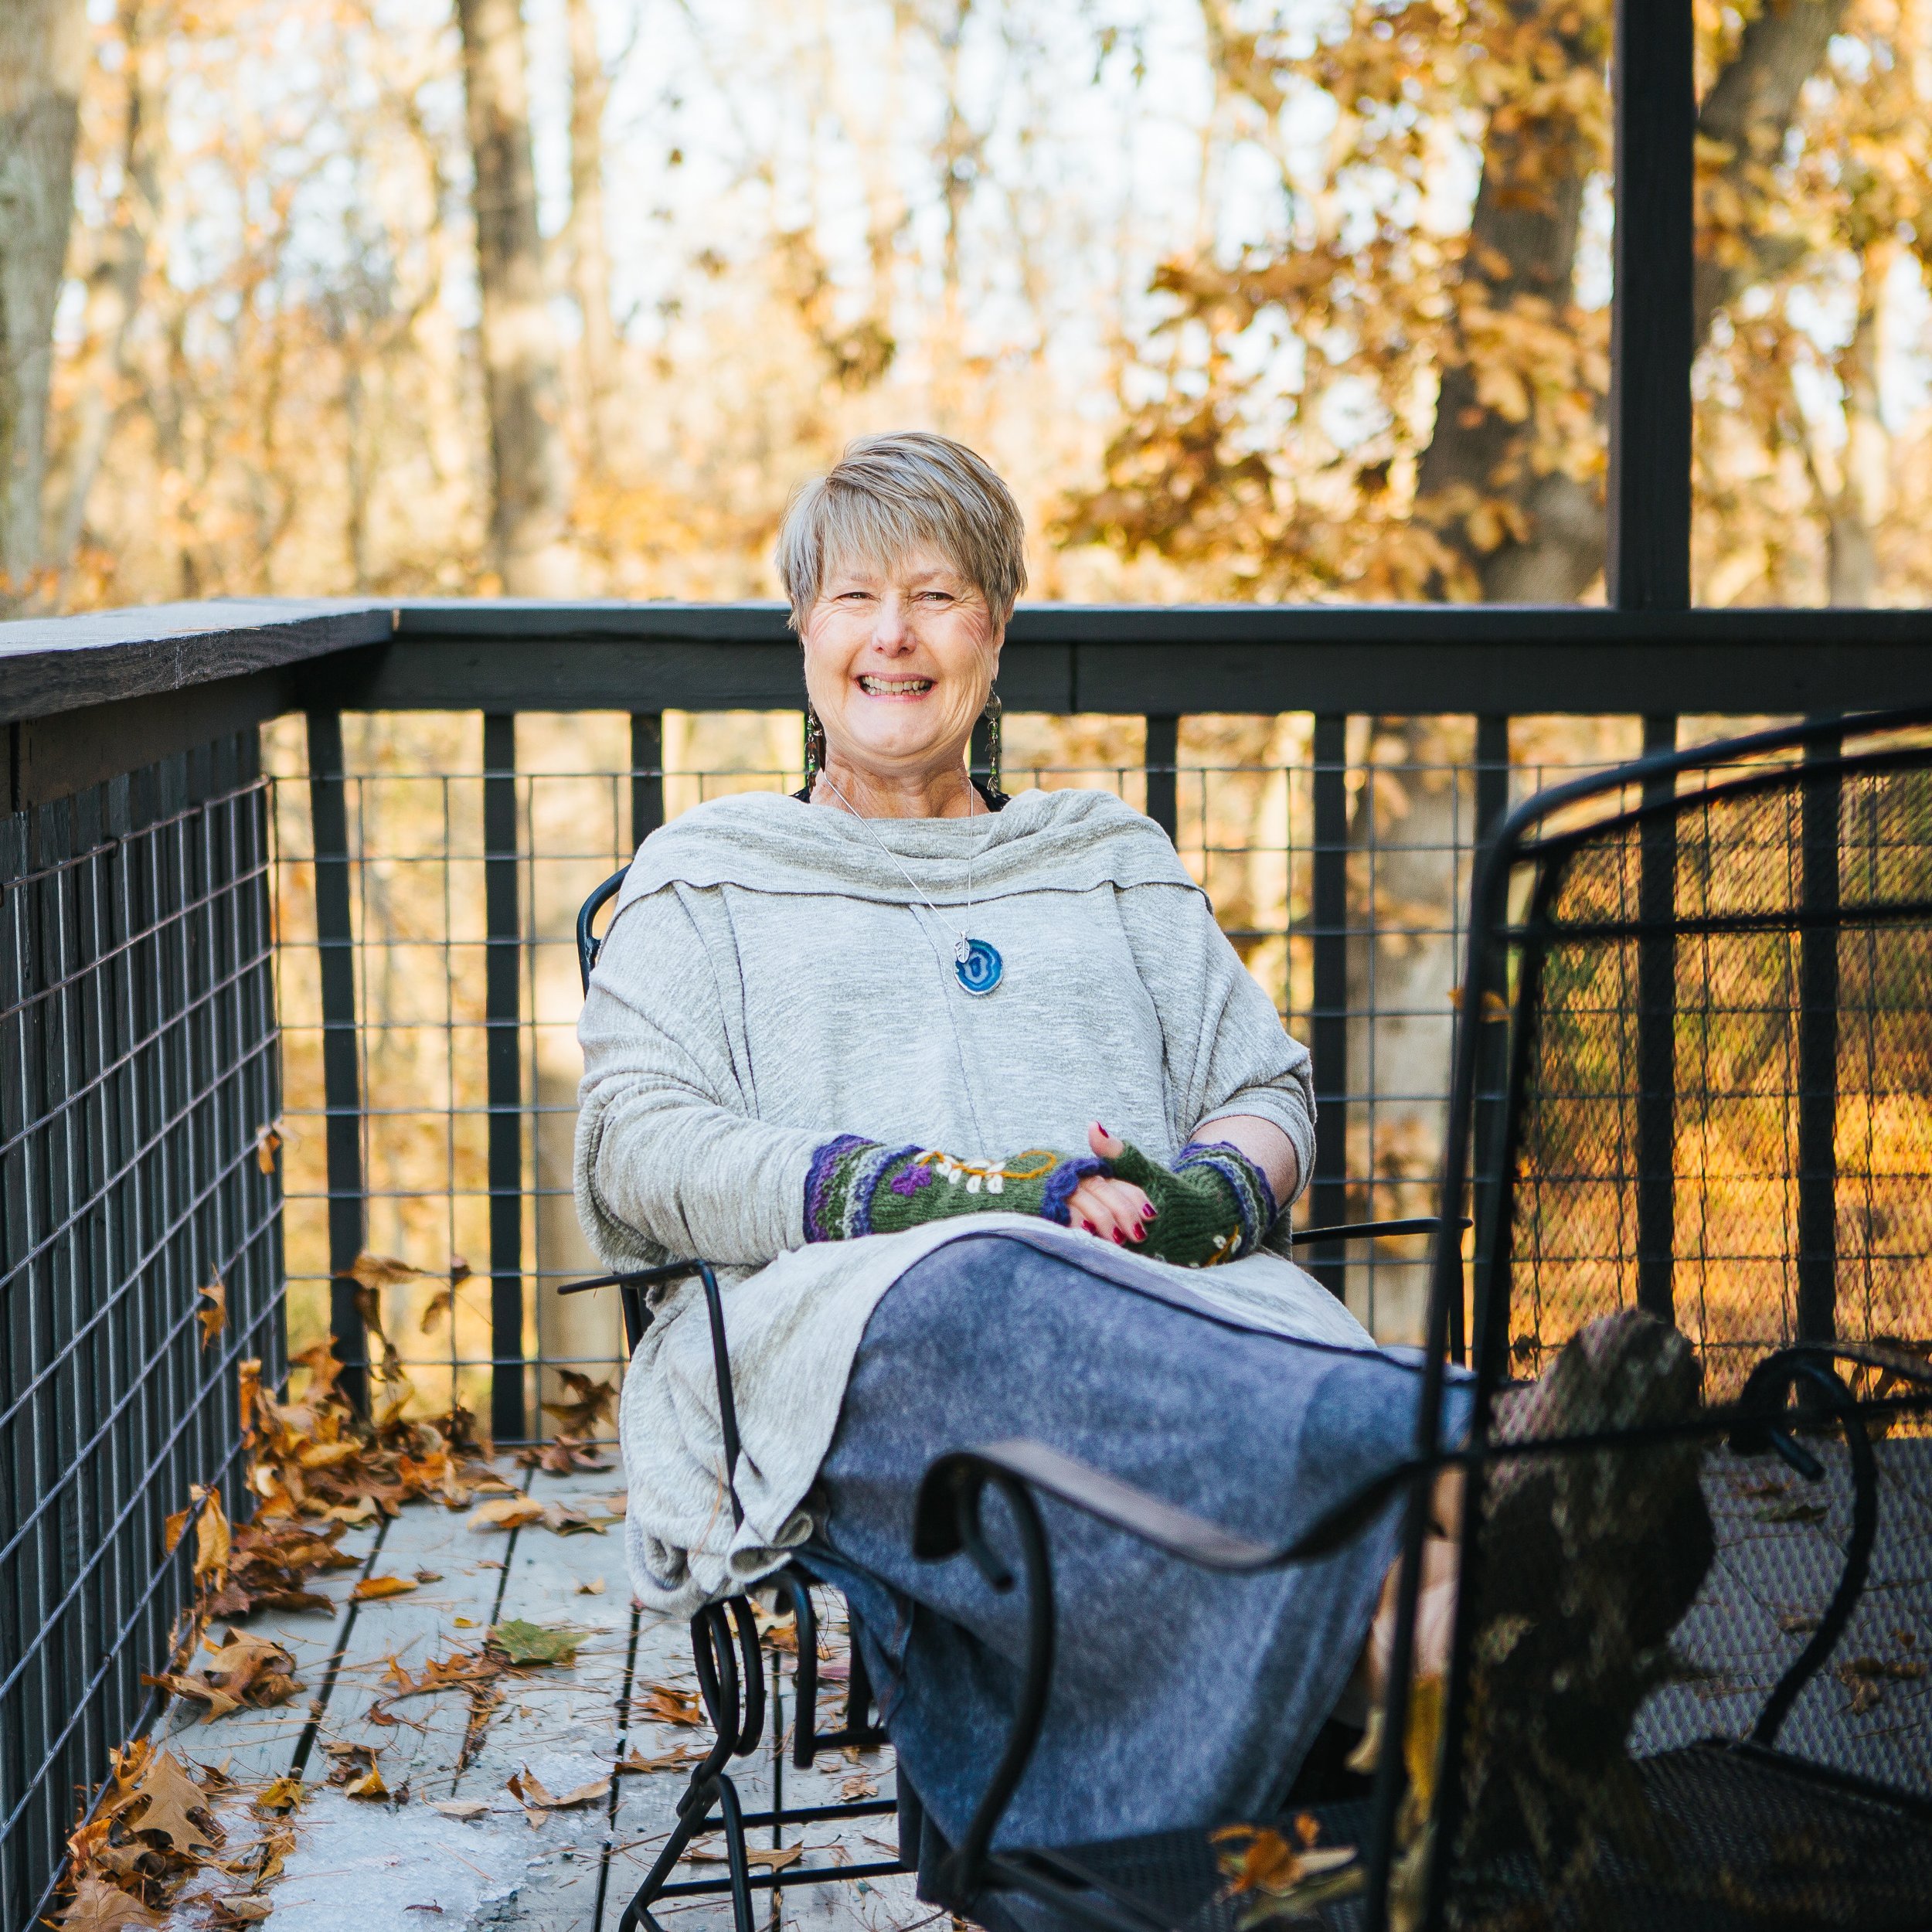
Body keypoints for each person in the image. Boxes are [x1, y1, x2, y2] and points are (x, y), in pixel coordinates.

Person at [573, 430, 1474, 1864]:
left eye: (936, 595)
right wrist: (922, 1194)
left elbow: (1264, 1084)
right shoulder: (711, 877)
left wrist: (1210, 1194)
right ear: (802, 626)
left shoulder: (1107, 857)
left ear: (996, 627)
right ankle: (1466, 1471)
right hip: (852, 1330)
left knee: (1096, 1324)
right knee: (987, 1278)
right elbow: (636, 1141)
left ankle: (1426, 1639)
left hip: (1175, 1306)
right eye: (856, 596)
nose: (893, 636)